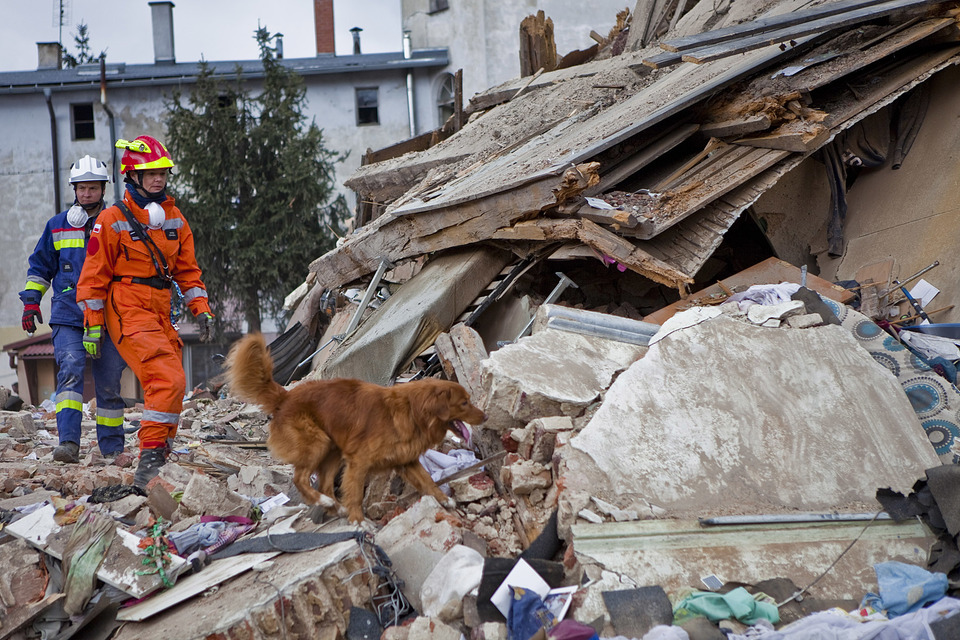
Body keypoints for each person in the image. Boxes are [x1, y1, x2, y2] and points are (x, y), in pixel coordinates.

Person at [76, 135, 215, 488]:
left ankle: (160, 455)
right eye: (150, 173)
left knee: (177, 382)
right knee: (165, 379)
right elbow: (93, 277)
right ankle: (148, 463)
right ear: (132, 177)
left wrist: (201, 309)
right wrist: (93, 325)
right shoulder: (110, 219)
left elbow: (187, 271)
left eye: (162, 172)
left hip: (160, 308)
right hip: (126, 305)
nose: (158, 179)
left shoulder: (175, 219)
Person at [20, 155, 128, 463]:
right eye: (82, 189)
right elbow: (40, 267)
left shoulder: (118, 224)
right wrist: (31, 301)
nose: (87, 194)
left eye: (93, 188)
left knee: (109, 383)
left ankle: (112, 448)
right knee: (69, 373)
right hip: (69, 316)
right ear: (74, 189)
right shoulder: (57, 226)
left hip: (108, 316)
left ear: (103, 189)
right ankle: (68, 443)